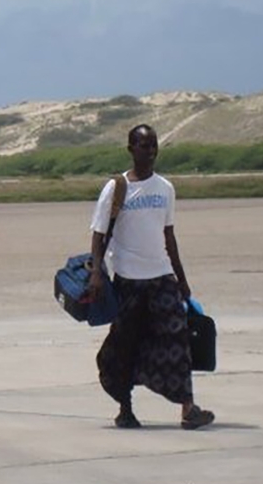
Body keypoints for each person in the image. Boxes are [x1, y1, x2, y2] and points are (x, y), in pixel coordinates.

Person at [88, 124, 215, 430]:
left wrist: (182, 281)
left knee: (178, 339)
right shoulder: (116, 188)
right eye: (144, 146)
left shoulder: (165, 189)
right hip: (128, 281)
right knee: (125, 346)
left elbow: (169, 237)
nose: (150, 151)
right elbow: (98, 233)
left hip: (162, 279)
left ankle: (188, 409)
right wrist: (96, 273)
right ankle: (125, 409)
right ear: (130, 149)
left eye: (154, 145)